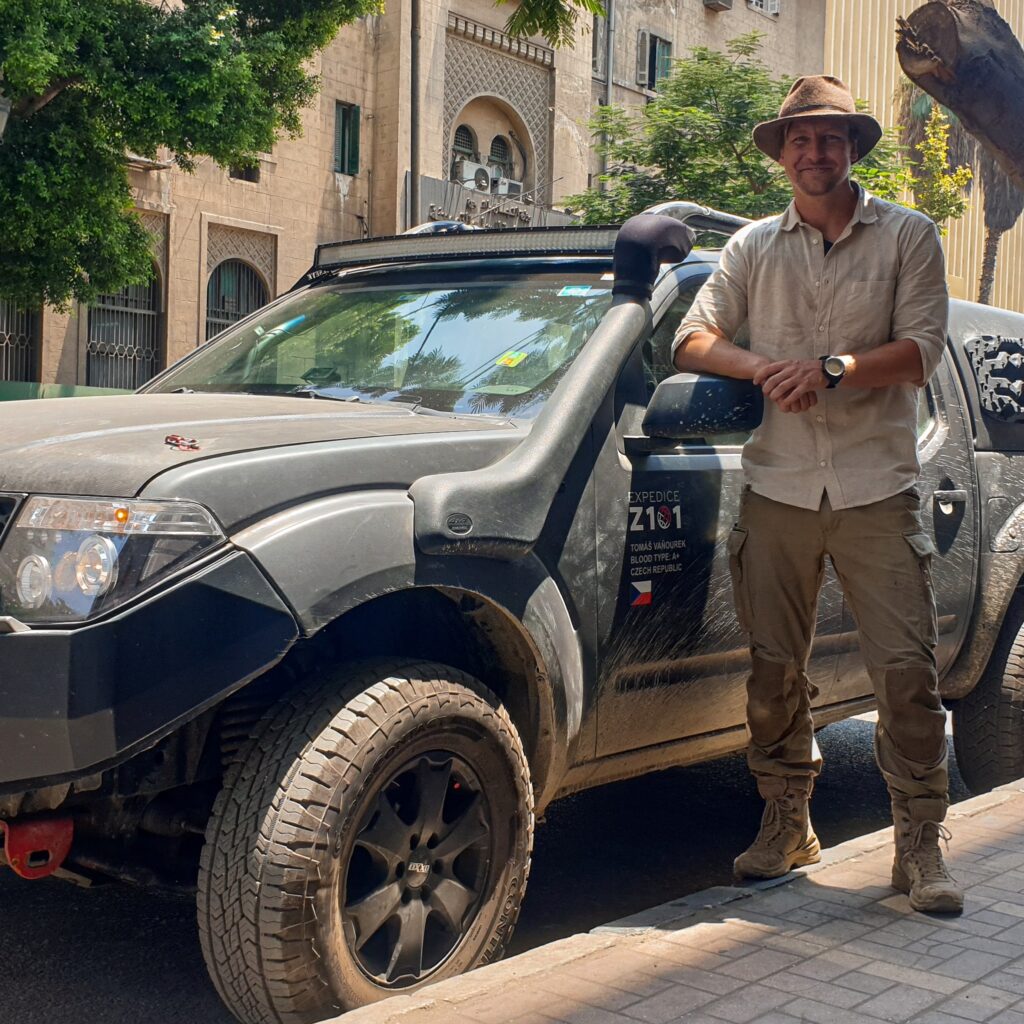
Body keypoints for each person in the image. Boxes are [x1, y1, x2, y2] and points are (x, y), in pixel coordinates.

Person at [672, 75, 961, 914]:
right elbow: (695, 339)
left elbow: (921, 352)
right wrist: (761, 367)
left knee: (907, 673)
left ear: (852, 148)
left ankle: (919, 843)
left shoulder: (909, 235)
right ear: (783, 154)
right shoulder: (752, 249)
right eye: (800, 139)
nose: (814, 152)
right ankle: (787, 821)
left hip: (877, 486)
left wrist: (832, 367)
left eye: (830, 138)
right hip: (779, 487)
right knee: (772, 671)